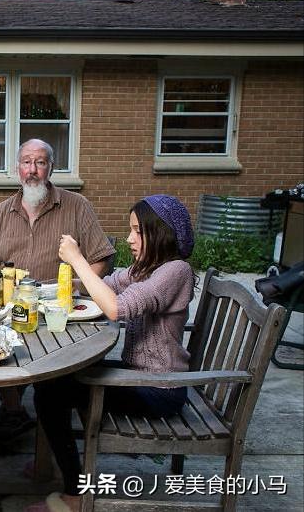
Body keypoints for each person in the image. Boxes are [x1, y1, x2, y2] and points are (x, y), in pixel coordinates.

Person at [26, 194, 196, 512]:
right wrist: (64, 284)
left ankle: (75, 495)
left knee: (51, 391)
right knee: (57, 379)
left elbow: (117, 307)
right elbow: (107, 284)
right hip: (139, 375)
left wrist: (78, 259)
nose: (130, 239)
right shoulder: (149, 268)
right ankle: (51, 466)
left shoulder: (175, 271)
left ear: (160, 232)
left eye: (137, 231)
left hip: (160, 388)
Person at [0, 138, 114, 448]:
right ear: (17, 169)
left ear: (51, 168)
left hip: (57, 310)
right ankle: (13, 409)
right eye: (27, 162)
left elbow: (102, 257)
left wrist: (80, 285)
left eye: (40, 162)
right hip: (11, 306)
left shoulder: (77, 206)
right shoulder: (2, 212)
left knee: (52, 363)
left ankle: (44, 415)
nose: (33, 170)